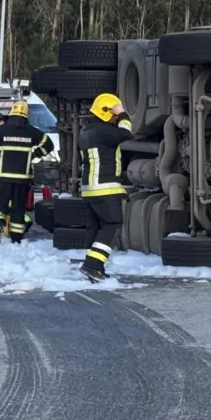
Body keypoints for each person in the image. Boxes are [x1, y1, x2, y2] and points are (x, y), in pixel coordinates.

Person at [77, 93, 134, 282]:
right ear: (106, 112)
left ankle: (95, 267)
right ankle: (92, 265)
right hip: (105, 187)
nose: (116, 118)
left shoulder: (86, 132)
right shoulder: (104, 131)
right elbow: (126, 133)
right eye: (114, 114)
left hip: (88, 188)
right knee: (112, 223)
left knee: (95, 226)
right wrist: (124, 114)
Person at [0, 100, 53, 243]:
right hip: (22, 179)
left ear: (11, 113)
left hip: (2, 177)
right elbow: (49, 145)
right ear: (26, 115)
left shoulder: (0, 130)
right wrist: (35, 155)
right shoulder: (32, 132)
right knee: (18, 208)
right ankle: (17, 238)